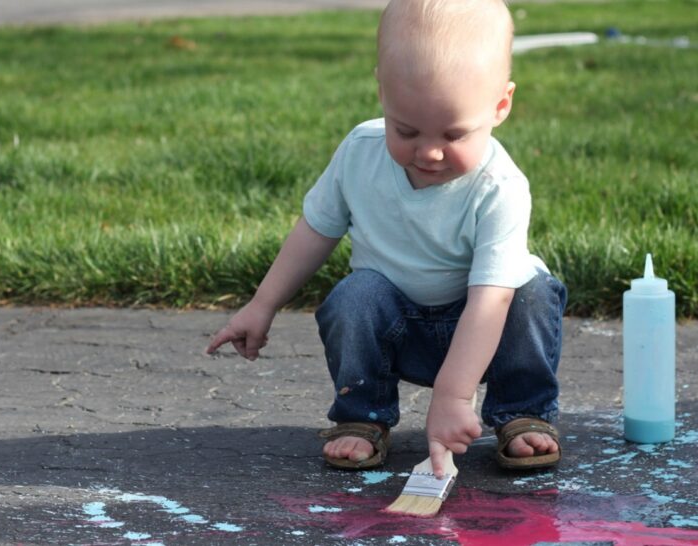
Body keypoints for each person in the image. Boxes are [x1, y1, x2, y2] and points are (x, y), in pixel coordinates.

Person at [208, 0, 567, 478]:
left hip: (484, 330)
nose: (431, 151)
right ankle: (363, 415)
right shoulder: (360, 152)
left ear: (500, 106)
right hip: (396, 327)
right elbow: (316, 230)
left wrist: (453, 395)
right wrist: (262, 304)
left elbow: (491, 301)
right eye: (406, 129)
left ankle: (522, 411)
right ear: (382, 92)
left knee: (532, 292)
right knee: (354, 294)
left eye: (455, 134)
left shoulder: (499, 186)